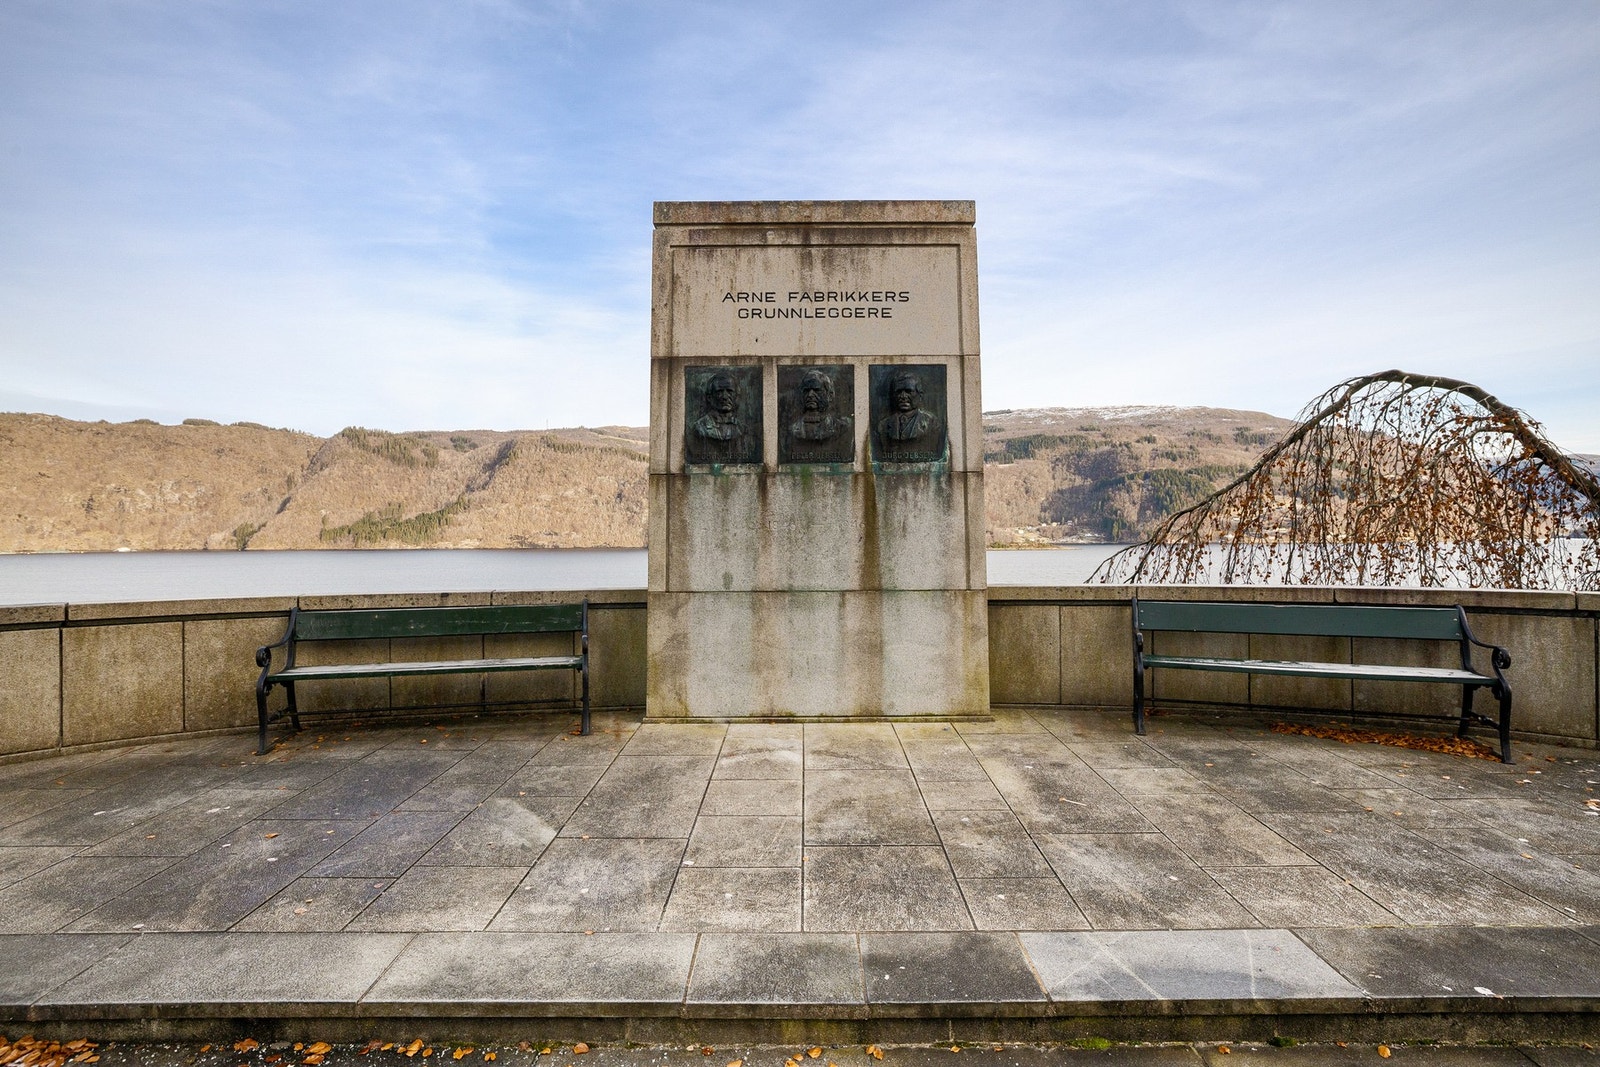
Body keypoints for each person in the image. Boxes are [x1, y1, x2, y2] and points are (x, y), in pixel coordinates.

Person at [789, 368, 850, 443]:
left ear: (830, 395)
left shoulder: (841, 427)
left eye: (816, 390)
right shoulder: (792, 429)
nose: (810, 395)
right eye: (806, 390)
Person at [692, 372, 741, 441]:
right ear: (709, 397)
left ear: (736, 396)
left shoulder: (741, 428)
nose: (725, 397)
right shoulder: (700, 427)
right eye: (719, 392)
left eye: (730, 391)